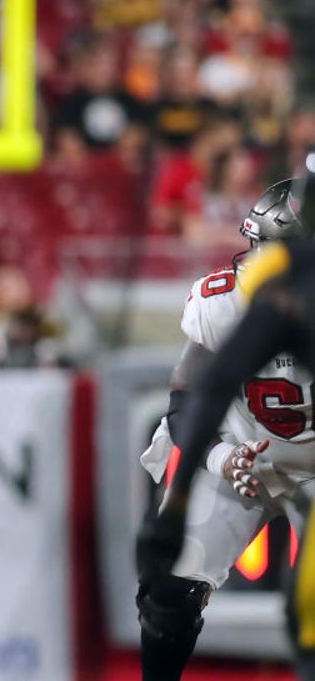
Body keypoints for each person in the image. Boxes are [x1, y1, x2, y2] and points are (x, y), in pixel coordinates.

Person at [139, 172, 315, 680]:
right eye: (258, 248)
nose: (260, 266)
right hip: (242, 456)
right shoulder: (224, 303)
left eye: (277, 254)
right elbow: (189, 395)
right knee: (167, 590)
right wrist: (220, 457)